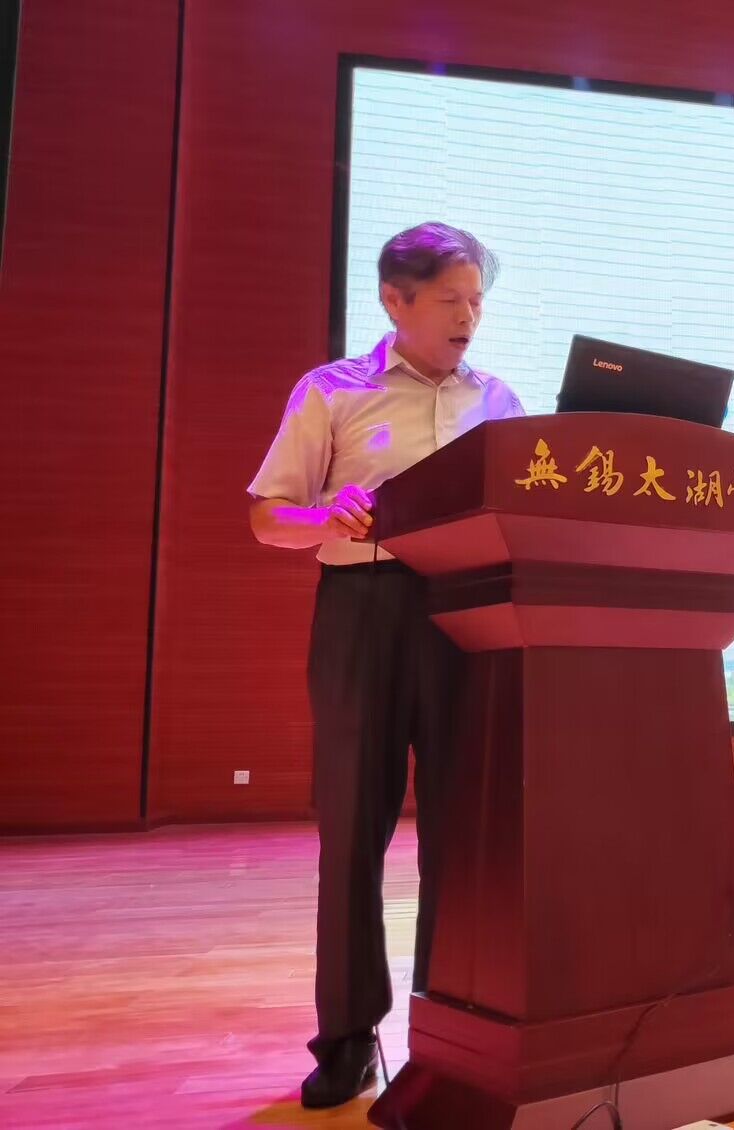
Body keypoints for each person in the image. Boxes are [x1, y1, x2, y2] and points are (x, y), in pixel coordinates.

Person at [247, 223, 525, 1109]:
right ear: (395, 301)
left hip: (466, 617)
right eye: (450, 300)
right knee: (352, 832)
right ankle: (345, 1038)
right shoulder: (331, 390)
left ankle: (450, 1031)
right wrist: (323, 517)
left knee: (462, 836)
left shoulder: (499, 400)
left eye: (476, 301)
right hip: (362, 614)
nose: (469, 317)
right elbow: (267, 517)